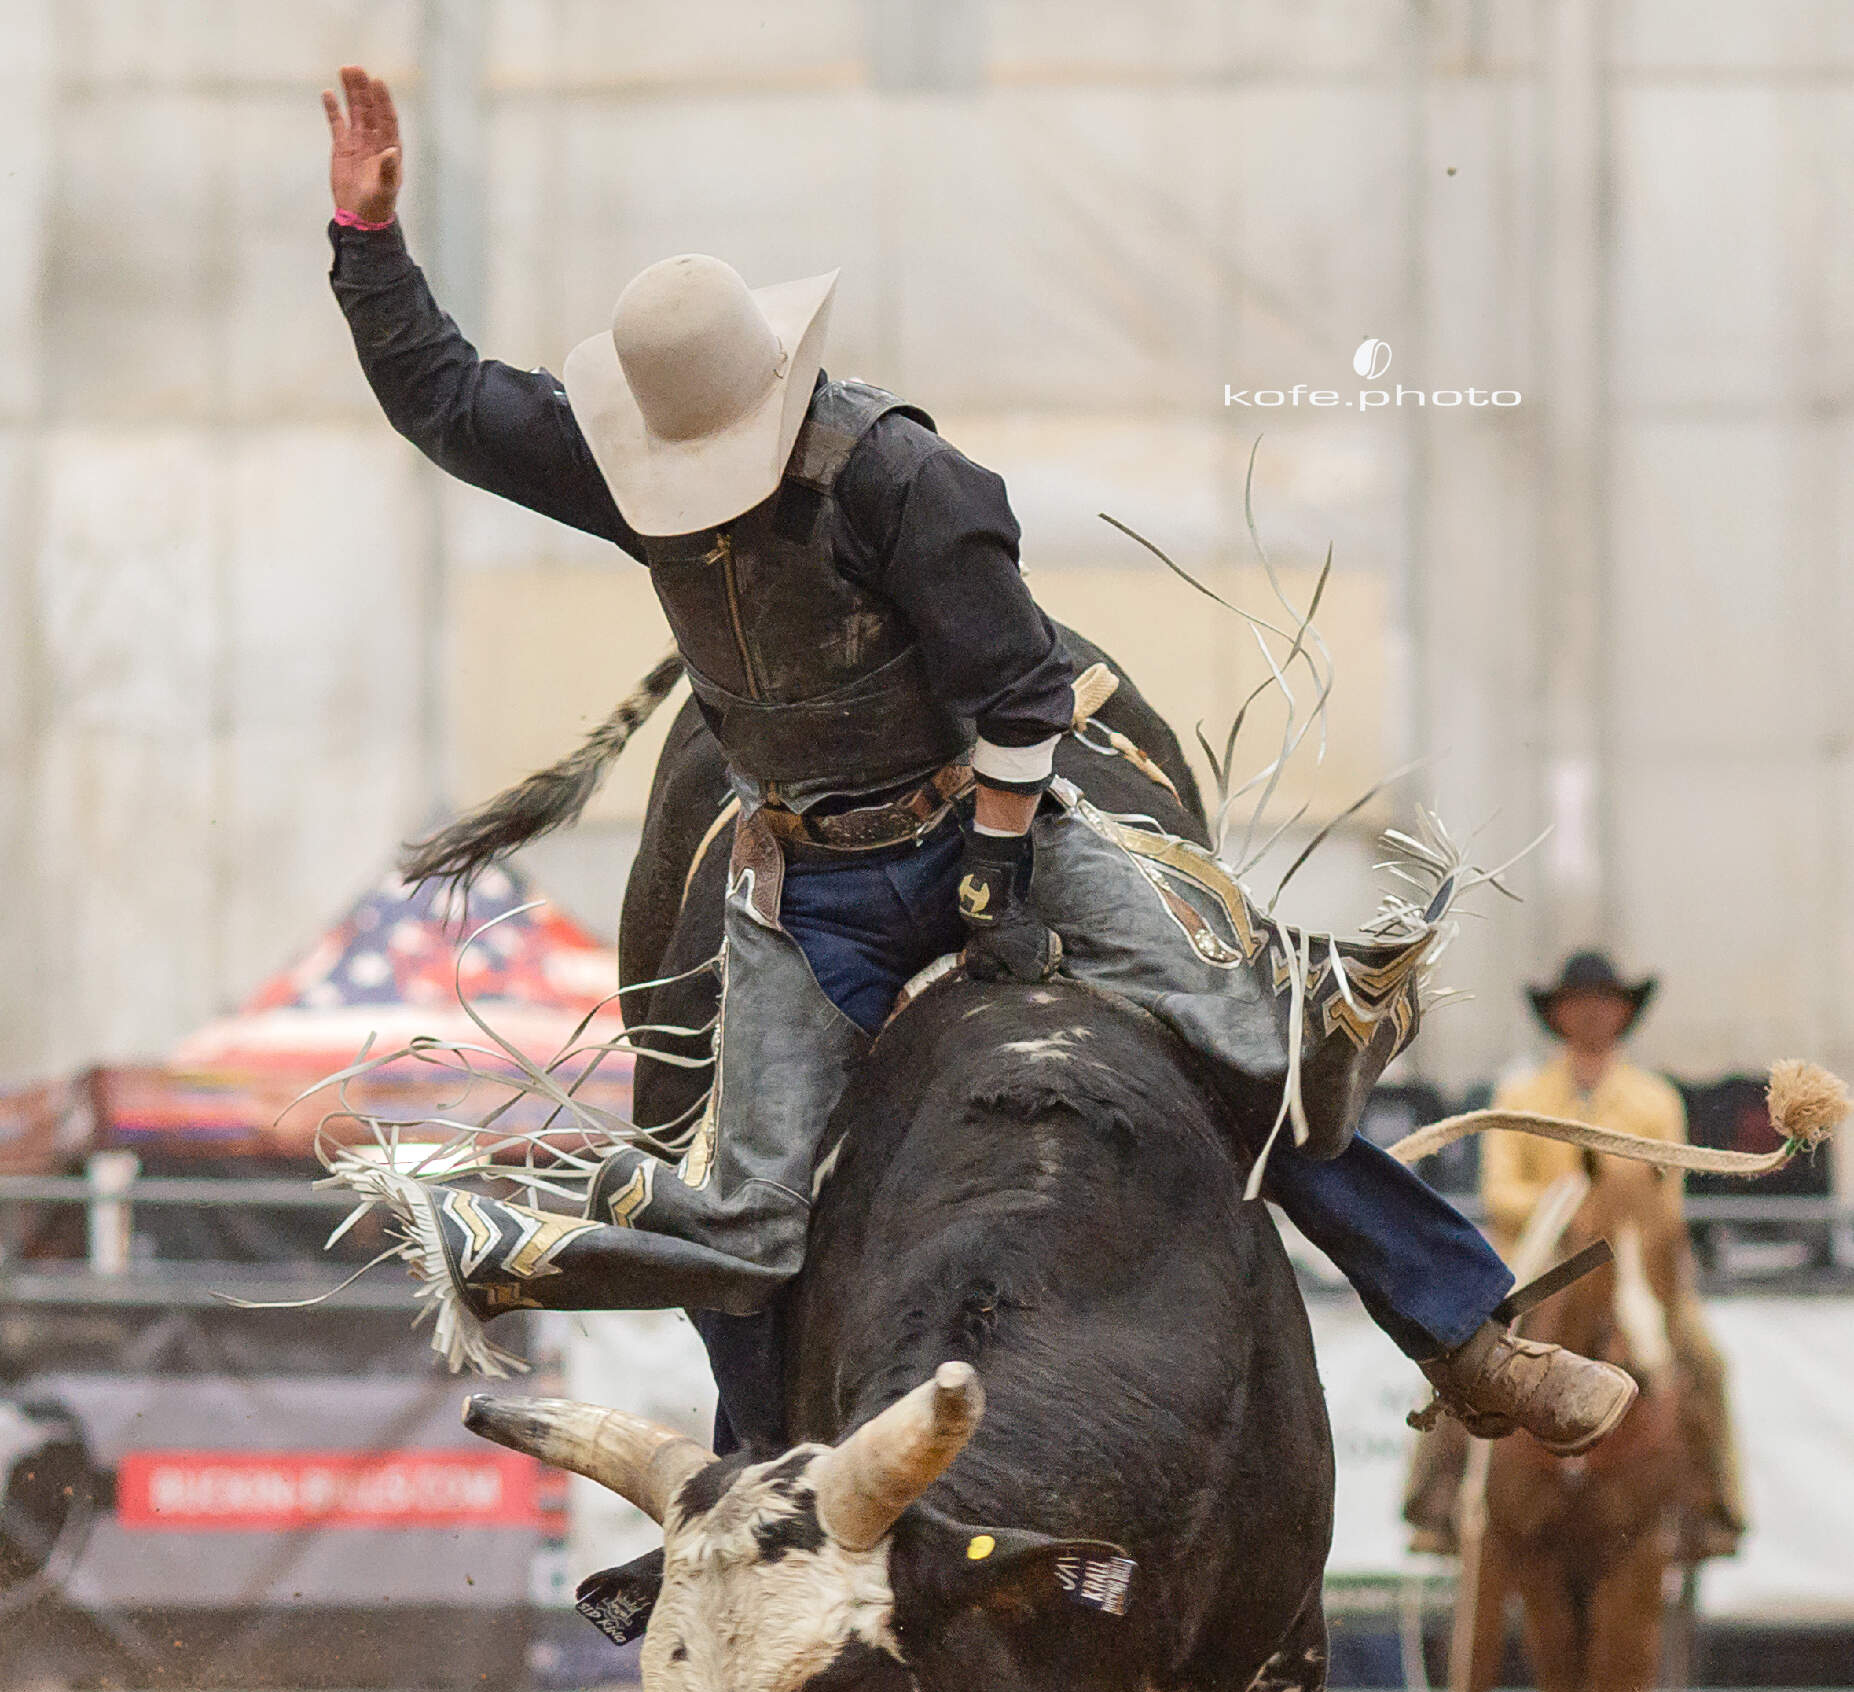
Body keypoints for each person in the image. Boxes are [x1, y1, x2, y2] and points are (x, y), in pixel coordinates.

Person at [318, 66, 1634, 1458]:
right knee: (738, 1220)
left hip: (988, 826)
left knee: (1261, 1059)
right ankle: (762, 1481)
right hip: (805, 886)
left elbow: (1022, 693)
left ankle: (1467, 1337)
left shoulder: (898, 477)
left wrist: (996, 868)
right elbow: (444, 398)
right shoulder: (633, 463)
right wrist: (367, 238)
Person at [1405, 950, 1746, 1557]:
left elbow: (1668, 1199)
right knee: (1456, 1354)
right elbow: (1499, 1191)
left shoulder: (1654, 1099)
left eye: (1604, 1002)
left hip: (1631, 1263)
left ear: (1623, 1013)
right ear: (1558, 1014)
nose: (1592, 1013)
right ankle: (1433, 1502)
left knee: (1703, 1358)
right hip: (1536, 1261)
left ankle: (1716, 1505)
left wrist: (1617, 1206)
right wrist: (1563, 1203)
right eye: (1579, 1003)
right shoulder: (1521, 1094)